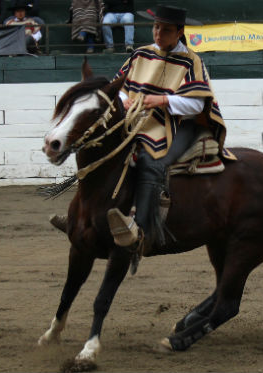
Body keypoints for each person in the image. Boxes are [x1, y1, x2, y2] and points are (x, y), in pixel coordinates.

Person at [50, 5, 236, 254]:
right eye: (156, 27)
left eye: (166, 30)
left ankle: (140, 227)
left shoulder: (192, 62)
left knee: (152, 160)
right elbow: (121, 85)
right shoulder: (141, 54)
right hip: (138, 120)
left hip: (176, 125)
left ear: (179, 32)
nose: (158, 34)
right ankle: (81, 216)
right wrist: (124, 98)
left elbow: (197, 103)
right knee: (101, 150)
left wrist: (164, 101)